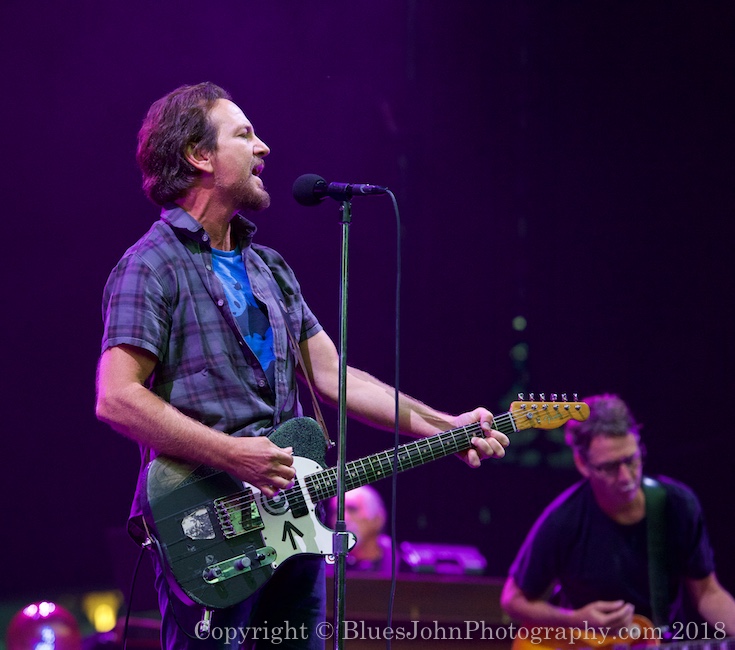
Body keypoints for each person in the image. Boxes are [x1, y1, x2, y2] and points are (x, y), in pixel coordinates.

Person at [95, 81, 509, 649]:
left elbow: (336, 377)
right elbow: (116, 397)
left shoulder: (269, 268)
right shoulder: (151, 266)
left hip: (293, 522)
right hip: (212, 525)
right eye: (244, 135)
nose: (263, 148)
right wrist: (230, 452)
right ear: (199, 155)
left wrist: (447, 425)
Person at [501, 393, 735, 639]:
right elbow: (512, 600)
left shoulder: (677, 505)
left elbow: (708, 593)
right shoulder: (564, 520)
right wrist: (576, 621)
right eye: (610, 466)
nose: (626, 477)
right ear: (582, 463)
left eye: (631, 460)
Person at [325, 485, 394, 574]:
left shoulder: (405, 565)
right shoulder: (324, 568)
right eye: (336, 512)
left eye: (352, 509)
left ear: (378, 519)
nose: (343, 518)